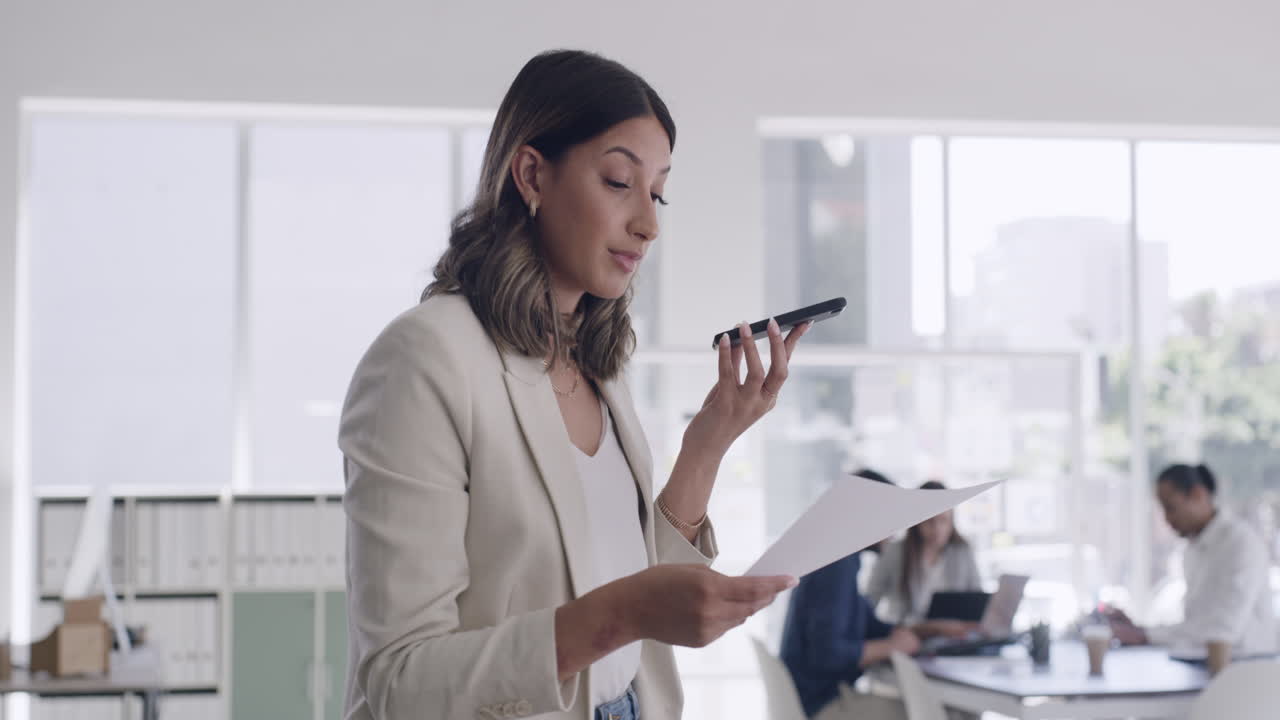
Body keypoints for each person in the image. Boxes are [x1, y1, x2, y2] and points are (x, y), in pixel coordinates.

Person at [338, 50, 811, 720]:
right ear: (532, 174)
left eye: (659, 192)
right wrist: (620, 615)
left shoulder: (596, 361)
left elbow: (628, 572)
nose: (649, 223)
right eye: (620, 181)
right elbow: (399, 682)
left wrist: (708, 442)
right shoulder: (425, 360)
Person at [780, 470, 973, 720]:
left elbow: (868, 624)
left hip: (816, 696)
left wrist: (928, 629)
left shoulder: (838, 555)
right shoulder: (837, 564)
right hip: (824, 703)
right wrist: (892, 646)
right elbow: (828, 654)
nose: (895, 530)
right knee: (948, 713)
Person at [1107, 464, 1277, 657]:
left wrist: (1146, 635)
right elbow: (1196, 626)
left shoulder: (1240, 542)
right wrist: (1140, 631)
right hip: (1205, 664)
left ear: (1197, 495)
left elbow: (1222, 629)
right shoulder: (1192, 550)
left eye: (1171, 508)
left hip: (1246, 672)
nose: (1167, 519)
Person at [866, 481, 983, 625]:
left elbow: (976, 599)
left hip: (952, 635)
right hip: (906, 633)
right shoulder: (894, 552)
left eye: (943, 521)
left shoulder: (962, 552)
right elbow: (870, 599)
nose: (937, 529)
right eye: (930, 521)